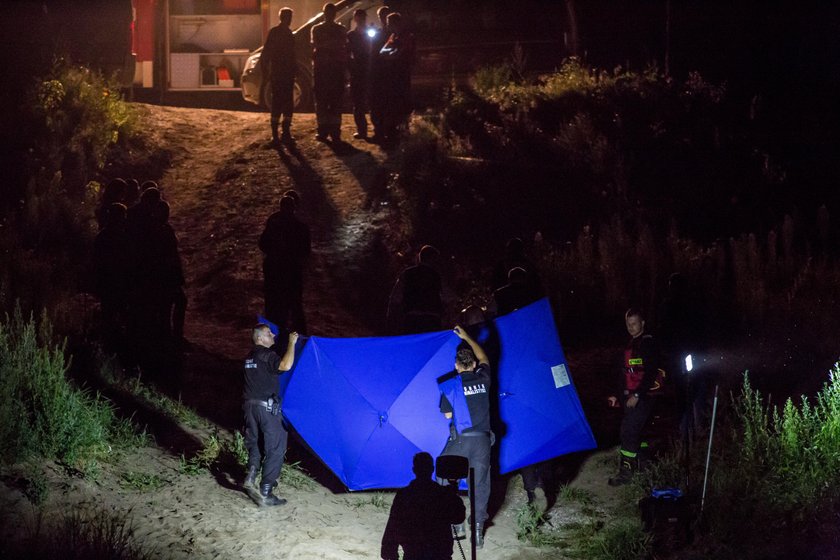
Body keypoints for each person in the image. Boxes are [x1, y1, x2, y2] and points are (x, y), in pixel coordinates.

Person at [437, 326, 493, 549]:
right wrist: (467, 337)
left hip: (461, 441)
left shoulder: (449, 386)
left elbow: (448, 415)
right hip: (483, 442)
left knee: (442, 475)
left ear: (456, 366)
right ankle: (477, 532)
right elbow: (484, 357)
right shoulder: (484, 378)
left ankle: (456, 523)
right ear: (474, 365)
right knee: (480, 486)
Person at [242, 325, 299, 506]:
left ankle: (251, 476)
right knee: (276, 446)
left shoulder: (248, 357)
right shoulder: (267, 355)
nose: (273, 335)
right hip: (265, 409)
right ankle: (266, 491)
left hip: (248, 407)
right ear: (260, 338)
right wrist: (292, 343)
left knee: (255, 443)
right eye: (269, 333)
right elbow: (286, 365)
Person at [607, 308, 662, 486]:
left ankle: (626, 472)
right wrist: (617, 394)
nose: (631, 327)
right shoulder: (630, 343)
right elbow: (623, 373)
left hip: (643, 397)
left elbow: (651, 373)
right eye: (628, 324)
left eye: (634, 323)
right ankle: (645, 467)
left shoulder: (648, 343)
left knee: (628, 432)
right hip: (629, 396)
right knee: (639, 432)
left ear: (642, 323)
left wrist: (637, 395)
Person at [381, 452, 466, 560]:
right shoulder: (443, 495)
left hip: (413, 554)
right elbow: (458, 517)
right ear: (432, 469)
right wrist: (453, 496)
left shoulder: (404, 495)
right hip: (440, 555)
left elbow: (393, 525)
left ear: (414, 470)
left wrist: (389, 552)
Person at [259, 194, 311, 333]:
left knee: (274, 306)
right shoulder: (300, 227)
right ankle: (300, 338)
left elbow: (262, 244)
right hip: (291, 271)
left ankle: (274, 335)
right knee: (295, 306)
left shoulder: (273, 223)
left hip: (275, 270)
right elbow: (306, 251)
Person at [259, 7, 297, 145]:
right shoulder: (288, 34)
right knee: (287, 103)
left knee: (277, 103)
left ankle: (276, 135)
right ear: (285, 18)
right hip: (285, 74)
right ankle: (284, 133)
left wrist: (265, 72)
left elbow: (266, 54)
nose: (290, 20)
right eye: (289, 17)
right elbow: (292, 56)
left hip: (278, 73)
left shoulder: (275, 32)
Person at [377, 12, 415, 144]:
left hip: (402, 74)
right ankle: (394, 132)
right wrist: (392, 52)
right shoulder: (393, 36)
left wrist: (392, 52)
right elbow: (383, 52)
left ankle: (403, 131)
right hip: (393, 75)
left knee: (402, 102)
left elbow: (398, 54)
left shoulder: (407, 36)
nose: (387, 26)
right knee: (393, 103)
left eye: (389, 24)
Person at [311, 3, 347, 142]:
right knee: (331, 101)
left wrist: (325, 45)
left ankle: (325, 130)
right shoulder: (340, 29)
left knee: (326, 101)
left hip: (324, 69)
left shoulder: (317, 29)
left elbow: (316, 46)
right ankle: (332, 130)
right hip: (332, 69)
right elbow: (339, 45)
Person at [387, 245, 443, 334]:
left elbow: (395, 297)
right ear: (433, 259)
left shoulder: (408, 273)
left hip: (412, 318)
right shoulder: (437, 276)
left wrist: (392, 317)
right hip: (432, 319)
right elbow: (449, 297)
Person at [347, 8, 372, 139]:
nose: (361, 20)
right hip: (358, 71)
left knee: (369, 101)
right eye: (359, 17)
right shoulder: (351, 35)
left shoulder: (367, 34)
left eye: (362, 17)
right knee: (358, 101)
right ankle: (362, 130)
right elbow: (347, 53)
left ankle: (372, 129)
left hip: (367, 71)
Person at [368, 5, 392, 142]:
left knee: (387, 103)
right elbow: (372, 54)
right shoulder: (377, 33)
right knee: (377, 103)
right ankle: (379, 131)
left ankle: (387, 131)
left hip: (388, 73)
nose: (383, 19)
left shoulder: (394, 34)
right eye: (381, 16)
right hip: (378, 73)